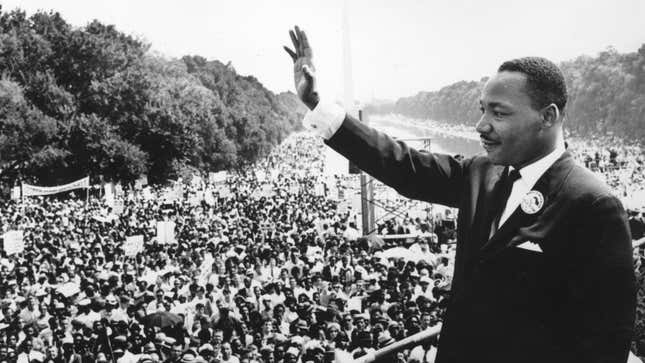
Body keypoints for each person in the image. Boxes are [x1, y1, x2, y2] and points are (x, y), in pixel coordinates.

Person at [284, 26, 637, 363]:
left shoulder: (593, 205)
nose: (481, 126)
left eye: (498, 113)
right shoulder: (480, 172)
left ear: (548, 117)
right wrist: (317, 104)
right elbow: (402, 165)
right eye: (482, 109)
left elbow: (605, 342)